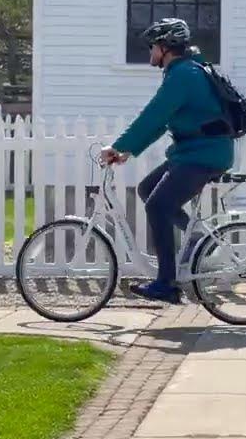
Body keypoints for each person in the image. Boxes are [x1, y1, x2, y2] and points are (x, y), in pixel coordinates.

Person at [100, 18, 234, 304]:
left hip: (203, 155)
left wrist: (118, 145)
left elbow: (153, 114)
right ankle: (198, 239)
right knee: (148, 189)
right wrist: (128, 152)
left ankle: (166, 283)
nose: (150, 53)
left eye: (153, 47)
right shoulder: (184, 72)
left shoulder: (184, 75)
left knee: (158, 206)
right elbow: (162, 123)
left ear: (165, 47)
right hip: (194, 153)